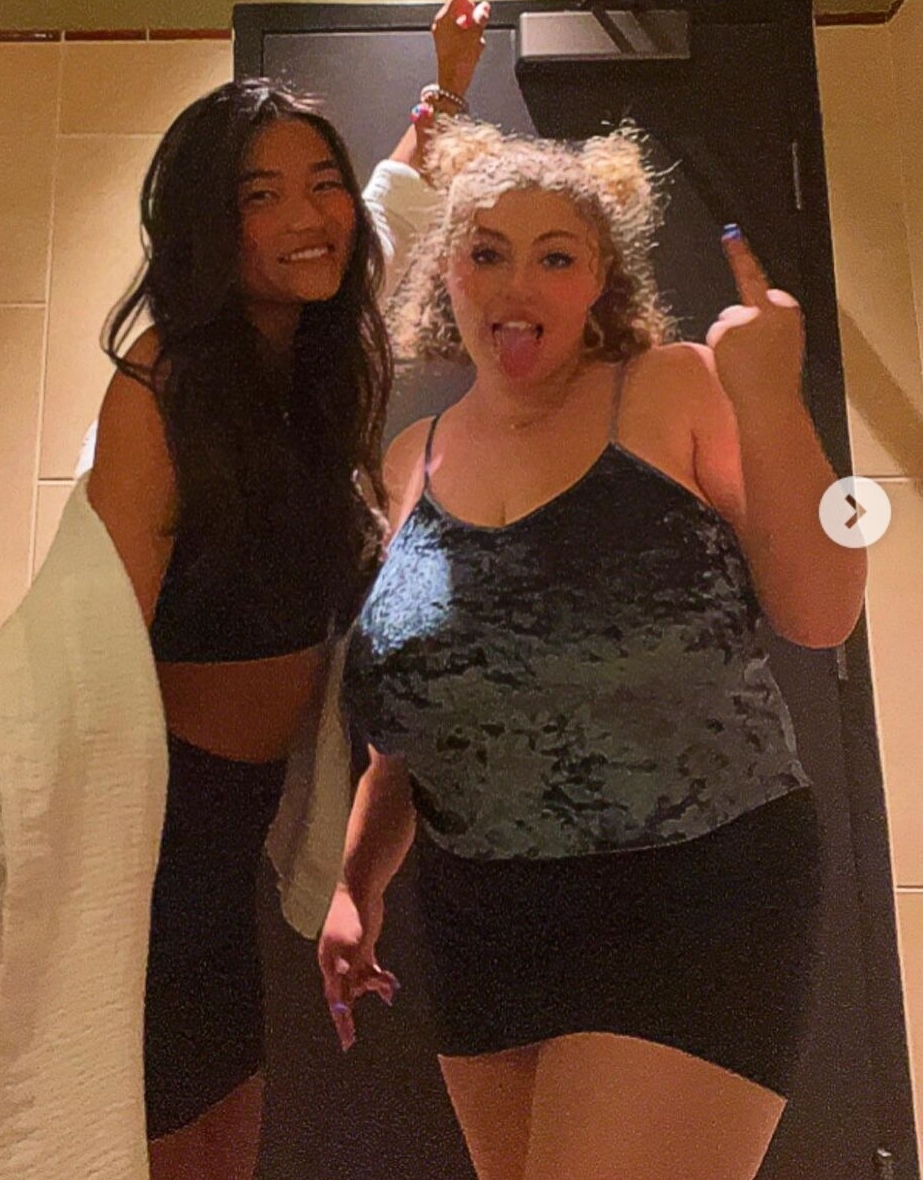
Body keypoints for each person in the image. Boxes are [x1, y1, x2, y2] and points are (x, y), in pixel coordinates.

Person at [0, 0, 489, 1180]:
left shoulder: (315, 358)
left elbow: (382, 216)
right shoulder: (166, 388)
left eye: (318, 183)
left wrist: (443, 92)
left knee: (220, 1148)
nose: (306, 216)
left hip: (221, 872)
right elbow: (55, 703)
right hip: (138, 856)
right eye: (260, 195)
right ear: (206, 225)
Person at [319, 118, 867, 1180]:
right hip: (482, 920)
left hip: (695, 894)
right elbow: (421, 721)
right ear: (445, 273)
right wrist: (355, 883)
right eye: (487, 252)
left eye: (556, 257)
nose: (516, 284)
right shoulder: (408, 464)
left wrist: (767, 397)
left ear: (599, 281)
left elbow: (819, 612)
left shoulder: (672, 389)